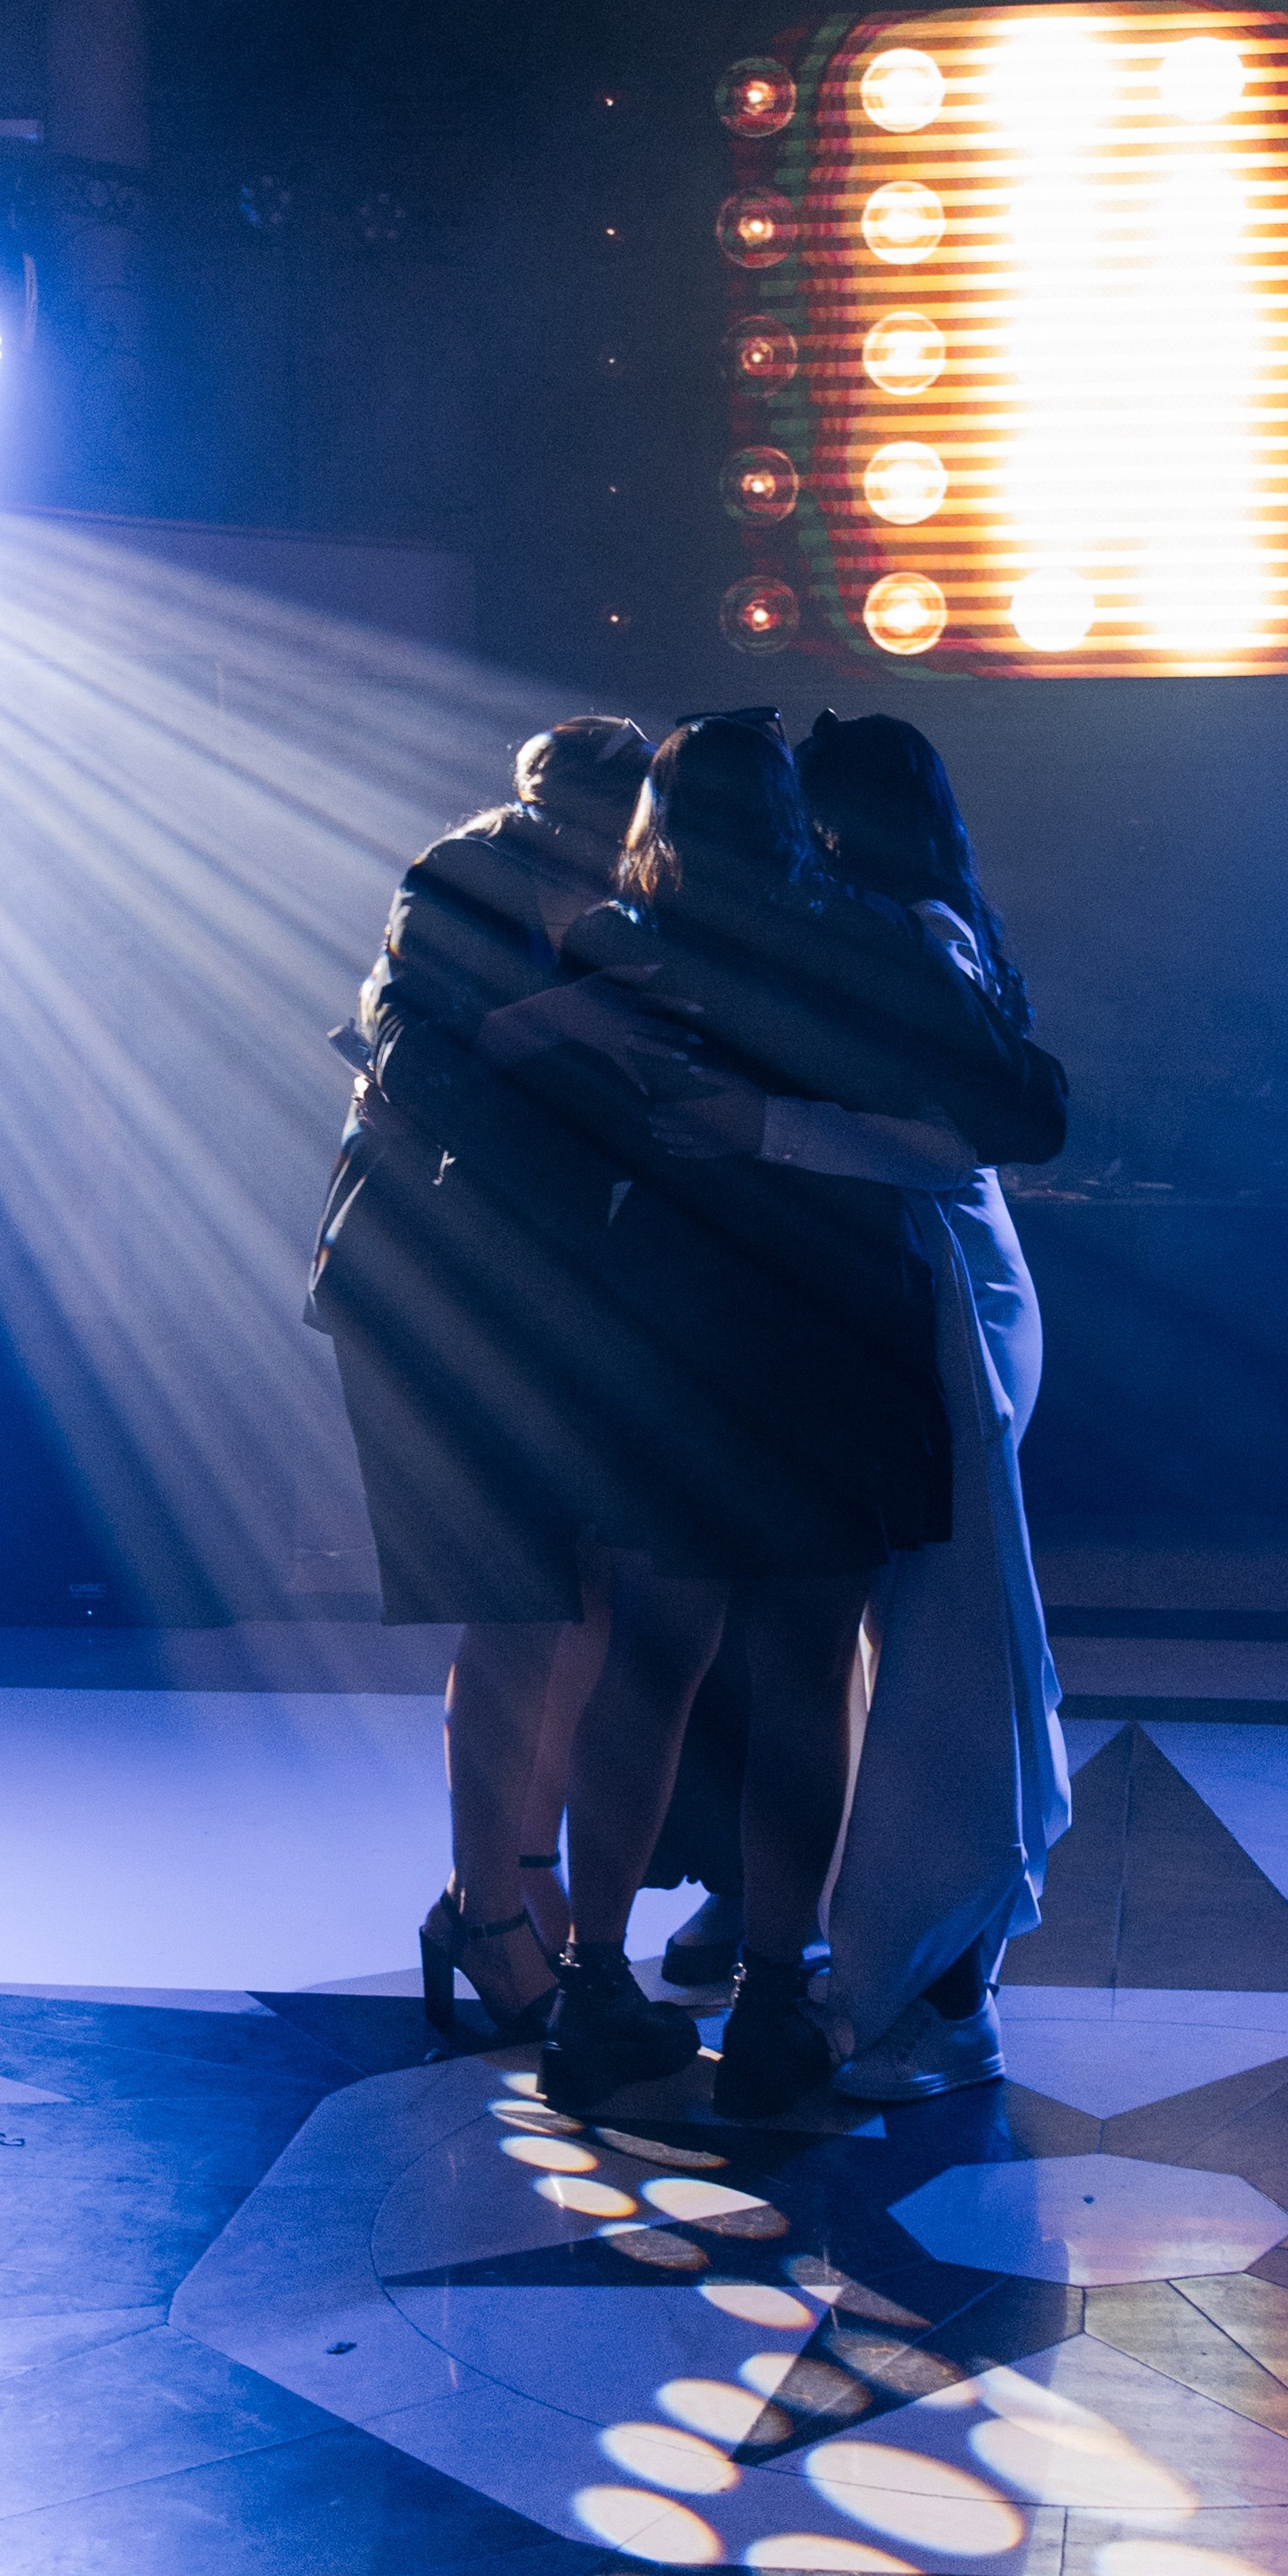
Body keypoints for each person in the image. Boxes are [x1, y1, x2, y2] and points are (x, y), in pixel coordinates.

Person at [489, 713, 1065, 2119]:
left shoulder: (617, 943)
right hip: (827, 1329)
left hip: (666, 1333)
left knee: (649, 1664)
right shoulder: (866, 938)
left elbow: (528, 1122)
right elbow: (1019, 1111)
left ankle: (595, 1984)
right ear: (796, 813)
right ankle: (768, 1997)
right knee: (806, 1672)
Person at [306, 716, 649, 2043]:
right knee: (515, 1603)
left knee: (584, 1594)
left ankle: (520, 1876)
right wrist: (557, 1020)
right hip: (433, 1290)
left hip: (553, 1296)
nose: (602, 854)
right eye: (573, 825)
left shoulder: (636, 891)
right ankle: (486, 1912)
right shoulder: (454, 880)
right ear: (531, 807)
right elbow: (417, 1066)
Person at [791, 711, 1070, 2100]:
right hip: (929, 1286)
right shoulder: (920, 924)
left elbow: (957, 1135)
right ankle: (921, 1966)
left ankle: (949, 1994)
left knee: (946, 1655)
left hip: (951, 1290)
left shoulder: (918, 935)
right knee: (915, 1649)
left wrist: (757, 1125)